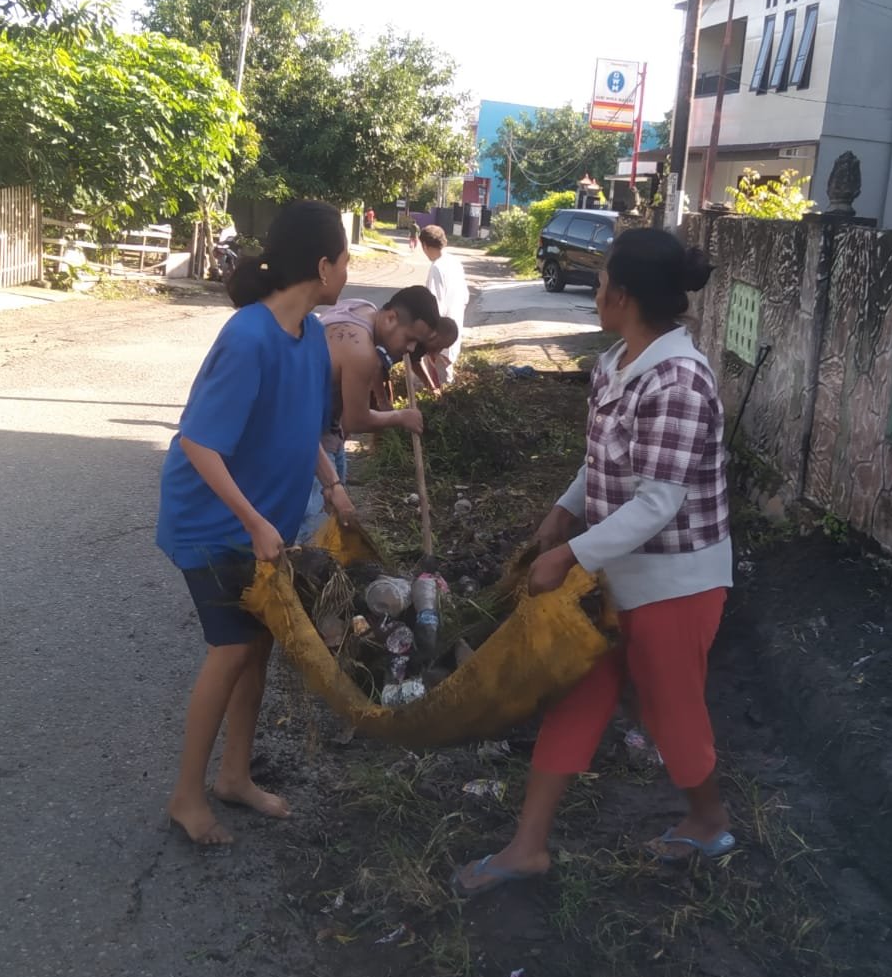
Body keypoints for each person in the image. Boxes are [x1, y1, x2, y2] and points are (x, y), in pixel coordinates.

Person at [451, 227, 732, 895]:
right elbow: (605, 457)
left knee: (672, 713)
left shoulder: (680, 381)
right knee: (576, 695)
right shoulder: (615, 363)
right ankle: (527, 847)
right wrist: (564, 509)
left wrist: (568, 556)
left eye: (604, 281)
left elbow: (659, 501)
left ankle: (709, 817)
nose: (597, 289)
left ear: (624, 296)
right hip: (611, 569)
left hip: (676, 583)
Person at [158, 200, 356, 846]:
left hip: (257, 525)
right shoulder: (249, 337)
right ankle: (187, 796)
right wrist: (253, 520)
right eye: (346, 257)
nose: (349, 269)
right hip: (211, 521)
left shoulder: (312, 338)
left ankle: (234, 776)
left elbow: (303, 434)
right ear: (324, 267)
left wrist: (332, 487)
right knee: (234, 646)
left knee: (262, 642)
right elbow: (199, 442)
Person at [299, 286, 442, 540]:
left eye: (417, 343)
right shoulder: (361, 352)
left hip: (323, 429)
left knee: (329, 511)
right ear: (390, 318)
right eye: (409, 338)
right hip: (308, 436)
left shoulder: (362, 308)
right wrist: (400, 416)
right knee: (316, 522)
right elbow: (357, 419)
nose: (410, 348)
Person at [419, 225, 469, 383]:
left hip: (439, 336)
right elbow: (465, 297)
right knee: (447, 378)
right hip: (454, 330)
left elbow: (435, 307)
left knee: (437, 382)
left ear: (425, 246)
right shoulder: (455, 263)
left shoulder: (437, 268)